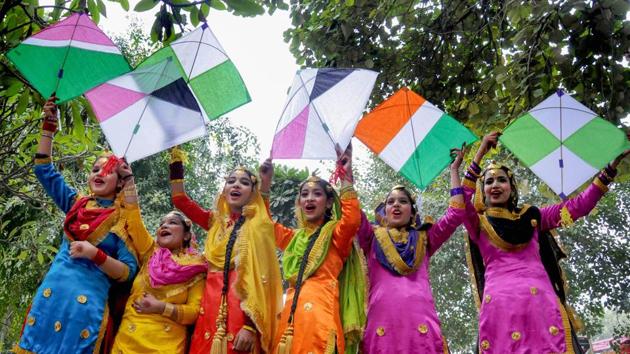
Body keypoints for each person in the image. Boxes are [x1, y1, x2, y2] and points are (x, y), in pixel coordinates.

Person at [461, 132, 629, 353]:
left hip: (540, 305)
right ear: (482, 191)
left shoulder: (533, 217)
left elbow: (578, 207)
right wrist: (480, 152)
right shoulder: (478, 223)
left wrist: (609, 169)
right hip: (501, 311)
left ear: (511, 188)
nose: (495, 185)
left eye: (502, 179)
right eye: (489, 181)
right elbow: (460, 198)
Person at [16, 97, 139, 353]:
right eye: (95, 170)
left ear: (120, 183)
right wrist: (48, 127)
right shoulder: (76, 204)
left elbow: (129, 271)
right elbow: (44, 170)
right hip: (50, 297)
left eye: (107, 172)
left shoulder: (123, 219)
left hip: (83, 308)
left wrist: (95, 254)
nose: (98, 174)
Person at [169, 148, 282, 354]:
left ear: (253, 193)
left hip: (241, 312)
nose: (236, 185)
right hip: (209, 307)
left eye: (244, 182)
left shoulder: (258, 225)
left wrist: (250, 326)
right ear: (224, 190)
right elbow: (179, 200)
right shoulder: (214, 222)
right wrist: (176, 157)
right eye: (231, 181)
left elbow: (262, 278)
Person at [358, 147, 466, 354]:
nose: (396, 205)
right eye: (391, 202)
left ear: (412, 211)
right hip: (381, 325)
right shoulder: (371, 237)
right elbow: (353, 214)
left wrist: (454, 171)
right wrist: (346, 173)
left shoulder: (425, 238)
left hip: (421, 326)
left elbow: (456, 214)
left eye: (403, 201)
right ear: (384, 211)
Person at [267, 145, 365, 354]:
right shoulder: (294, 238)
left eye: (317, 194)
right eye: (304, 194)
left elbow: (352, 220)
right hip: (291, 321)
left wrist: (346, 176)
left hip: (321, 319)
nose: (309, 198)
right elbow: (265, 225)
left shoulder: (336, 235)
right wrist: (265, 185)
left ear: (329, 202)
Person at [111, 168, 207, 354]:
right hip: (127, 341)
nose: (164, 225)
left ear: (186, 235)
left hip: (166, 346)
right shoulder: (150, 252)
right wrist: (129, 180)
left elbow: (194, 313)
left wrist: (161, 307)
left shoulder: (196, 269)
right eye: (162, 223)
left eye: (172, 223)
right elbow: (134, 218)